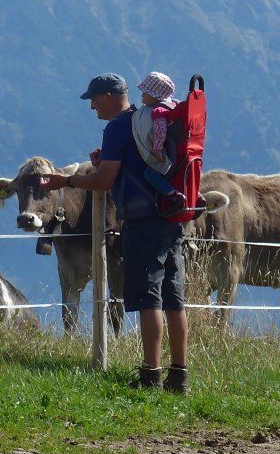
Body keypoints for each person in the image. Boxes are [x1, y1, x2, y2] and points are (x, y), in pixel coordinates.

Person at [39, 73, 189, 393]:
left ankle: (150, 374)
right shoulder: (146, 119)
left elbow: (104, 181)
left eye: (94, 99)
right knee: (174, 299)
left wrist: (65, 182)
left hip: (142, 221)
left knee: (149, 299)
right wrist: (103, 160)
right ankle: (179, 376)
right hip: (171, 217)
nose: (92, 106)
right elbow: (130, 166)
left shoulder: (119, 127)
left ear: (109, 96)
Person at [134, 72, 187, 214]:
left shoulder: (158, 111)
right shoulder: (173, 104)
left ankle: (171, 193)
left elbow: (160, 131)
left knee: (150, 174)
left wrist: (157, 150)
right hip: (179, 153)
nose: (142, 95)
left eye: (145, 93)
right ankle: (196, 195)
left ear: (155, 96)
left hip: (166, 154)